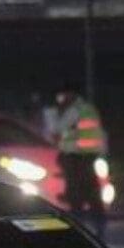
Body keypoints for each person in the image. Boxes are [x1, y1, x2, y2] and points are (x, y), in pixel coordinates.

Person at [50, 85, 108, 235]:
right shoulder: (87, 109)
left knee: (76, 193)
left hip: (76, 157)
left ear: (70, 94)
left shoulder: (73, 110)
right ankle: (99, 226)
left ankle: (78, 227)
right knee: (91, 191)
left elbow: (57, 130)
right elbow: (99, 133)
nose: (60, 99)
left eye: (62, 96)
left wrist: (57, 115)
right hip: (88, 156)